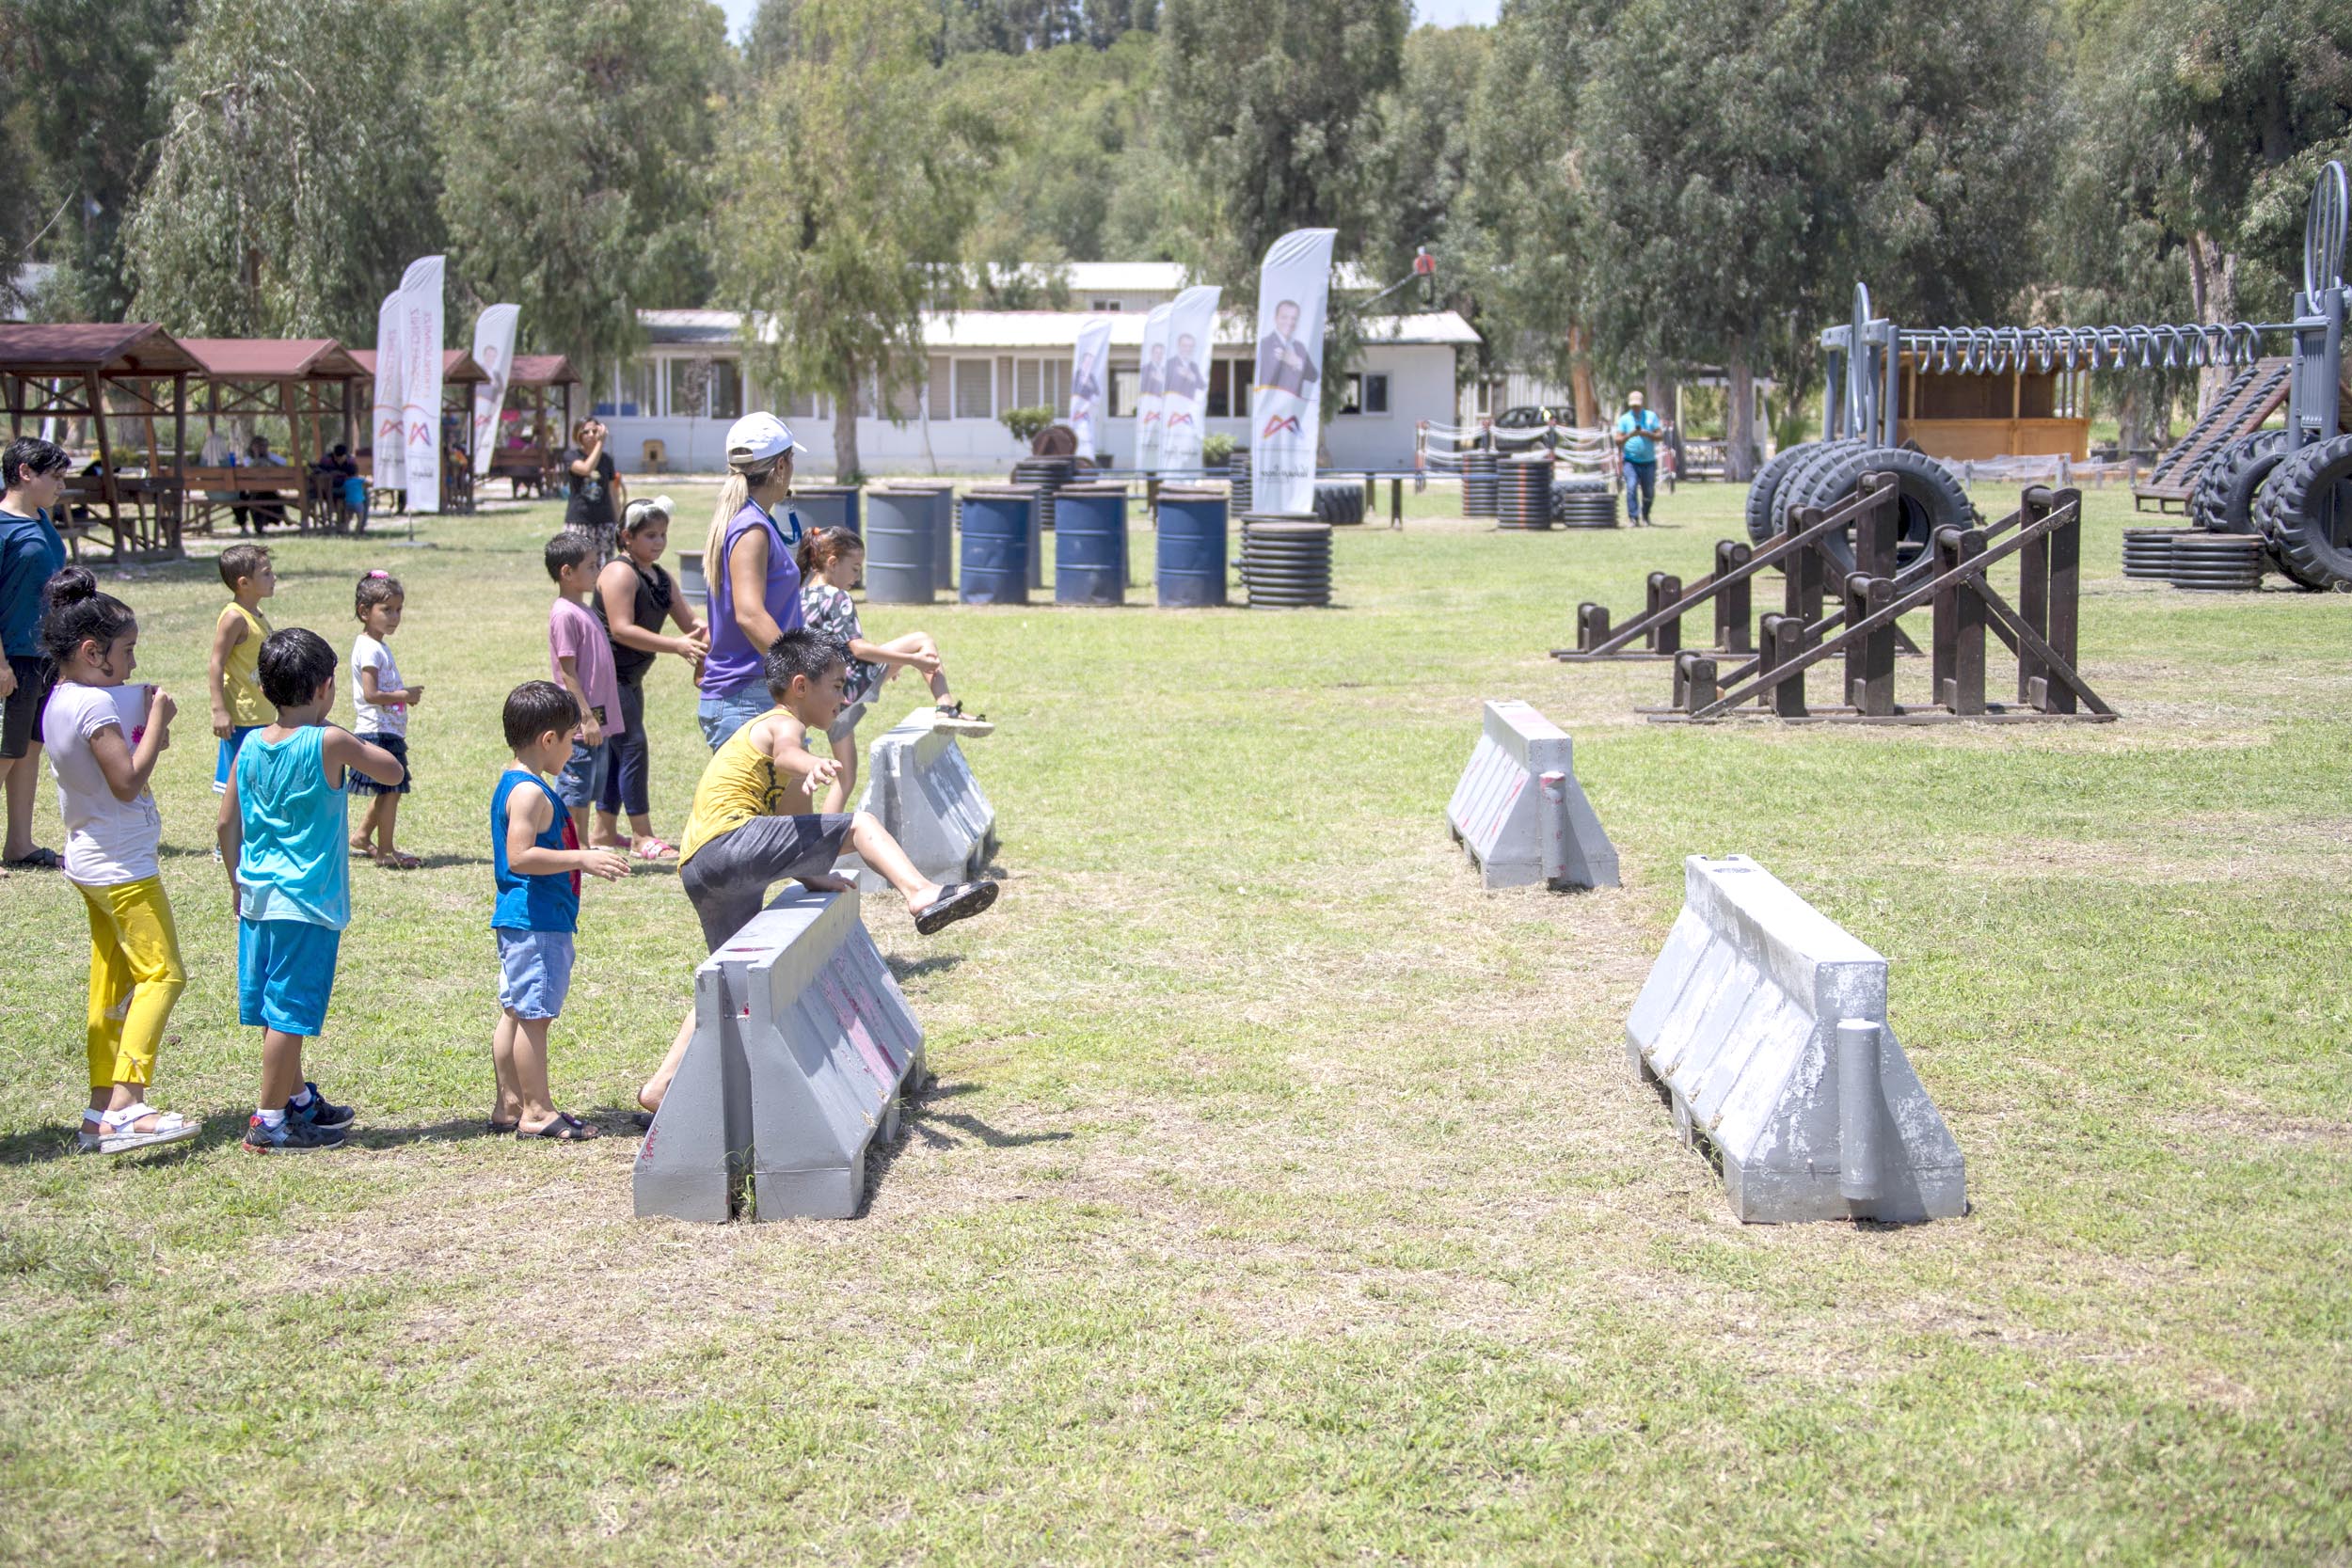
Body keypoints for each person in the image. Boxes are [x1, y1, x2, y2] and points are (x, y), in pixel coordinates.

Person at [635, 630, 1002, 1117]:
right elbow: (788, 753)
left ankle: (660, 1086)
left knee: (728, 977)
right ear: (801, 686)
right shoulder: (781, 723)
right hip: (728, 844)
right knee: (861, 824)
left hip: (701, 867)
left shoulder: (781, 745)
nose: (844, 698)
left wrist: (813, 876)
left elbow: (793, 832)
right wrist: (814, 764)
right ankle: (920, 894)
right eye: (837, 686)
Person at [219, 627, 406, 1152]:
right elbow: (391, 771)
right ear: (326, 687)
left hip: (257, 898)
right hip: (305, 903)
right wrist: (338, 731)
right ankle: (268, 1122)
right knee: (290, 1014)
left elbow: (225, 823)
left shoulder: (250, 745)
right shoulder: (329, 741)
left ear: (265, 689)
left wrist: (235, 882)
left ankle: (296, 1098)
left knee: (275, 1010)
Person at [39, 568, 199, 1155]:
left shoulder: (61, 699)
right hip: (123, 868)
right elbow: (127, 782)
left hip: (91, 863)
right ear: (92, 651)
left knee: (113, 983)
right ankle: (129, 1105)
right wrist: (157, 720)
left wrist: (143, 726)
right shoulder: (94, 707)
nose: (133, 663)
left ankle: (98, 1113)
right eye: (126, 651)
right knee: (163, 975)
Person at [488, 680, 631, 1141]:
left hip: (521, 918)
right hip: (538, 922)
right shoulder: (530, 793)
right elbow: (520, 856)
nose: (573, 748)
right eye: (571, 739)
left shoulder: (514, 782)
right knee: (534, 1019)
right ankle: (537, 1111)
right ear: (548, 739)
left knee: (515, 1012)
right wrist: (581, 858)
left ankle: (509, 1105)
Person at [796, 527, 986, 814]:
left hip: (823, 696)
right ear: (833, 562)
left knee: (845, 777)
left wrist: (893, 662)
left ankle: (823, 837)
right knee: (922, 640)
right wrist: (911, 660)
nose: (858, 577)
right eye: (855, 568)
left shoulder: (801, 595)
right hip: (850, 684)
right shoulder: (838, 597)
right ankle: (946, 708)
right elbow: (858, 649)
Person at [594, 496, 707, 859]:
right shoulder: (619, 573)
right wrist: (676, 646)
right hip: (605, 677)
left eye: (663, 534)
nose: (659, 542)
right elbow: (622, 629)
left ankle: (603, 832)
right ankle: (642, 837)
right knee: (632, 746)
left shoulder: (659, 577)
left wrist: (710, 636)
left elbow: (691, 625)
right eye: (650, 535)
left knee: (618, 752)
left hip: (629, 677)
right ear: (627, 537)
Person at [696, 411, 807, 749]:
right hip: (749, 695)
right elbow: (749, 613)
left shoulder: (749, 520)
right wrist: (803, 671)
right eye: (791, 460)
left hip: (749, 693)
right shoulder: (751, 528)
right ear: (781, 466)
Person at [0, 435, 70, 872]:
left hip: (42, 656)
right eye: (56, 476)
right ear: (25, 473)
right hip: (12, 658)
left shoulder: (42, 520)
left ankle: (19, 844)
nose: (62, 485)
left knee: (28, 749)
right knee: (4, 751)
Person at [546, 532, 623, 848]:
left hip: (598, 720)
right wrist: (585, 717)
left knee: (588, 787)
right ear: (567, 572)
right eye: (591, 566)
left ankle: (583, 845)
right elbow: (568, 672)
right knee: (574, 788)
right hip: (582, 722)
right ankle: (574, 849)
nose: (598, 571)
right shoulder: (564, 613)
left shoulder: (583, 608)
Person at [349, 571, 423, 869]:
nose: (395, 617)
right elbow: (370, 694)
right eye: (387, 610)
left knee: (387, 789)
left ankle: (362, 836)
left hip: (387, 731)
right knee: (391, 790)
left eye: (398, 610)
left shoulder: (377, 644)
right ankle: (386, 851)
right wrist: (405, 695)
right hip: (377, 732)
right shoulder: (369, 647)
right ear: (364, 612)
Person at [206, 544, 276, 861]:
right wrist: (219, 709)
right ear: (243, 583)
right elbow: (216, 663)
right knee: (239, 784)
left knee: (259, 781)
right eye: (267, 573)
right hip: (242, 717)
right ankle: (227, 844)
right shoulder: (234, 617)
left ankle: (252, 839)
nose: (274, 578)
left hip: (262, 712)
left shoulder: (256, 614)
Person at [563, 417, 625, 546]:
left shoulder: (606, 459)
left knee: (605, 558)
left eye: (595, 431)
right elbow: (586, 469)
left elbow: (613, 492)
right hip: (579, 521)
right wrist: (600, 443)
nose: (591, 435)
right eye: (586, 432)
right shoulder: (571, 456)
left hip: (605, 521)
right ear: (578, 435)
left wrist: (619, 522)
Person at [1614, 389, 1666, 526]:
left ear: (1642, 404)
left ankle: (1645, 515)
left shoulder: (1651, 417)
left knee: (1649, 491)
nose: (1635, 408)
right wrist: (1629, 435)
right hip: (1631, 462)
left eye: (1637, 405)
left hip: (1648, 461)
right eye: (1633, 406)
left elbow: (1660, 436)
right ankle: (1633, 518)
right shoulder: (1624, 419)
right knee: (1631, 488)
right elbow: (1618, 440)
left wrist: (1647, 434)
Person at [1255, 300, 1320, 397]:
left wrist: (1297, 362)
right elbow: (1263, 378)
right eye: (1284, 317)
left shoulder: (1299, 346)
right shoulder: (1264, 345)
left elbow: (1314, 376)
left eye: (1294, 318)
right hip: (1272, 405)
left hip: (1296, 404)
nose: (1289, 322)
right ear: (1276, 319)